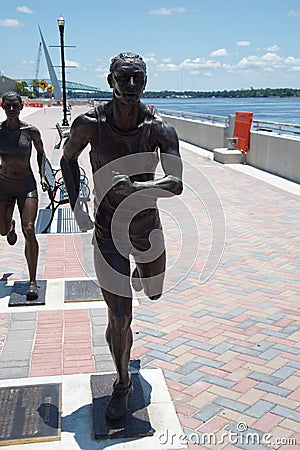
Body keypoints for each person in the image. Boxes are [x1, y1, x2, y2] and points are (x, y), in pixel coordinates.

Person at [60, 52, 183, 420]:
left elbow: (176, 184)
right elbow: (68, 159)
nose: (131, 86)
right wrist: (76, 204)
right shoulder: (90, 124)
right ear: (110, 79)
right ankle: (122, 383)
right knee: (119, 315)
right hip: (108, 230)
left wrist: (134, 187)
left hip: (147, 228)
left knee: (155, 292)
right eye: (124, 78)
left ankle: (139, 274)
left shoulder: (159, 127)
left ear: (146, 81)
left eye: (138, 79)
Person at [0, 91, 48, 300]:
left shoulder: (30, 132)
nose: (12, 110)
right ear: (2, 107)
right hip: (4, 186)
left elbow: (41, 153)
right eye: (8, 106)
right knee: (2, 231)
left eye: (15, 106)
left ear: (21, 107)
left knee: (29, 229)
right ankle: (9, 226)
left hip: (27, 186)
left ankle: (32, 281)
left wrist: (43, 176)